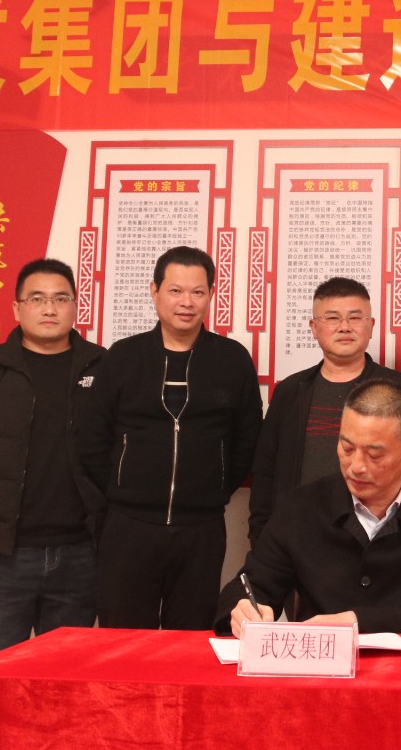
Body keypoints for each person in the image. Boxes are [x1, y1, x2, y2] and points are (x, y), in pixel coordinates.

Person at [78, 245, 263, 630]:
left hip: (201, 529)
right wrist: (119, 491)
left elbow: (247, 440)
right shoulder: (123, 357)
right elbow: (92, 438)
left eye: (198, 292)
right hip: (128, 527)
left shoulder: (231, 360)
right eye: (175, 290)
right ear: (155, 291)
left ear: (211, 295)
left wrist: (214, 488)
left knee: (191, 641)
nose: (187, 302)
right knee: (123, 641)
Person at [0, 258, 106, 658]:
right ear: (16, 308)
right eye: (37, 298)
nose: (49, 308)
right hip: (4, 557)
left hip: (81, 555)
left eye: (60, 298)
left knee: (65, 676)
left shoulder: (103, 368)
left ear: (75, 306)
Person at [219, 380, 401, 636]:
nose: (356, 466)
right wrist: (242, 610)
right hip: (319, 659)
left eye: (374, 455)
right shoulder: (300, 508)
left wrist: (358, 622)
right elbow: (252, 585)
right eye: (347, 448)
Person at [249, 276, 401, 545]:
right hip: (298, 540)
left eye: (355, 318)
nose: (344, 327)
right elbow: (265, 471)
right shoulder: (290, 392)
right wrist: (261, 537)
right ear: (314, 327)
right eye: (332, 318)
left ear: (371, 326)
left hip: (379, 541)